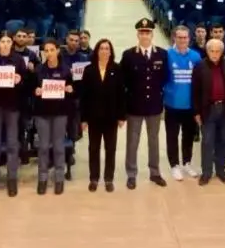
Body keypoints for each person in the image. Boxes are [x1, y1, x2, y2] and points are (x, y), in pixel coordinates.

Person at [121, 18, 169, 189]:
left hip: (154, 105)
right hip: (134, 106)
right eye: (142, 32)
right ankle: (131, 174)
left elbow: (165, 78)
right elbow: (124, 81)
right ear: (137, 34)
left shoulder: (162, 54)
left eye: (147, 32)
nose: (144, 35)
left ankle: (154, 172)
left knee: (154, 141)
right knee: (132, 142)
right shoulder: (128, 55)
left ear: (152, 34)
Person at [0, 33, 27, 198]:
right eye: (3, 41)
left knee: (12, 145)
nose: (6, 44)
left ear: (12, 43)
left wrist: (19, 80)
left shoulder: (18, 60)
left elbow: (25, 84)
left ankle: (12, 179)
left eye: (9, 41)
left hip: (12, 108)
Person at [80, 39, 125, 192]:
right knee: (93, 148)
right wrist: (83, 119)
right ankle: (94, 178)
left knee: (110, 148)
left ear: (111, 51)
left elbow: (121, 94)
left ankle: (108, 179)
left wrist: (121, 116)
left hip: (111, 117)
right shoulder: (89, 70)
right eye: (101, 48)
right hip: (93, 117)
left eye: (107, 48)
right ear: (97, 51)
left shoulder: (117, 69)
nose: (104, 51)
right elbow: (84, 96)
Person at [191, 38, 225, 186]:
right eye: (212, 51)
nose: (215, 54)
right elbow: (195, 91)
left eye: (218, 51)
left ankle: (221, 171)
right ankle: (206, 172)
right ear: (207, 51)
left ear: (222, 52)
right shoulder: (199, 67)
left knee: (223, 140)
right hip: (207, 110)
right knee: (208, 141)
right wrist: (196, 112)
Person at [33, 40, 75, 195]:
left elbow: (72, 92)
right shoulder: (38, 70)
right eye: (46, 50)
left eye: (51, 49)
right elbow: (31, 89)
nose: (49, 53)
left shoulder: (65, 70)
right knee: (43, 147)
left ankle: (59, 178)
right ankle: (42, 178)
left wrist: (70, 89)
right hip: (42, 113)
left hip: (60, 113)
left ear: (57, 51)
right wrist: (35, 91)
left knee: (58, 147)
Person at [164, 26, 202, 181]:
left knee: (188, 136)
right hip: (172, 105)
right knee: (172, 136)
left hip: (190, 106)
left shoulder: (196, 56)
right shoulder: (167, 55)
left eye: (185, 37)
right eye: (179, 37)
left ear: (189, 39)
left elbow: (200, 81)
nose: (182, 40)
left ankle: (187, 162)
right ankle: (174, 165)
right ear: (174, 38)